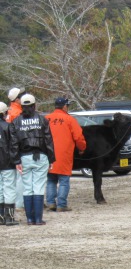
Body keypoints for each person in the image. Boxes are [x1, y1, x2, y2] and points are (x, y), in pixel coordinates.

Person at [10, 94, 55, 226]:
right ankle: (38, 219)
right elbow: (48, 140)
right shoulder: (42, 120)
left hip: (24, 157)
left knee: (27, 188)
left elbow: (14, 144)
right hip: (41, 156)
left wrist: (16, 161)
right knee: (39, 187)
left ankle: (29, 219)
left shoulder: (16, 122)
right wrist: (51, 158)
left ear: (22, 106)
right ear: (34, 105)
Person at [45, 97, 86, 212]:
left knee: (51, 179)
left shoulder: (46, 118)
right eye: (67, 106)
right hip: (64, 154)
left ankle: (50, 203)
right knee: (63, 180)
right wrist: (82, 148)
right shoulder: (69, 119)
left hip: (48, 154)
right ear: (64, 106)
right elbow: (78, 137)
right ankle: (61, 204)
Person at [0, 102, 19, 226]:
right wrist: (17, 160)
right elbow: (14, 145)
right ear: (4, 113)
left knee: (0, 189)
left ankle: (1, 217)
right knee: (9, 189)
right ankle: (9, 217)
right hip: (7, 162)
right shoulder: (8, 126)